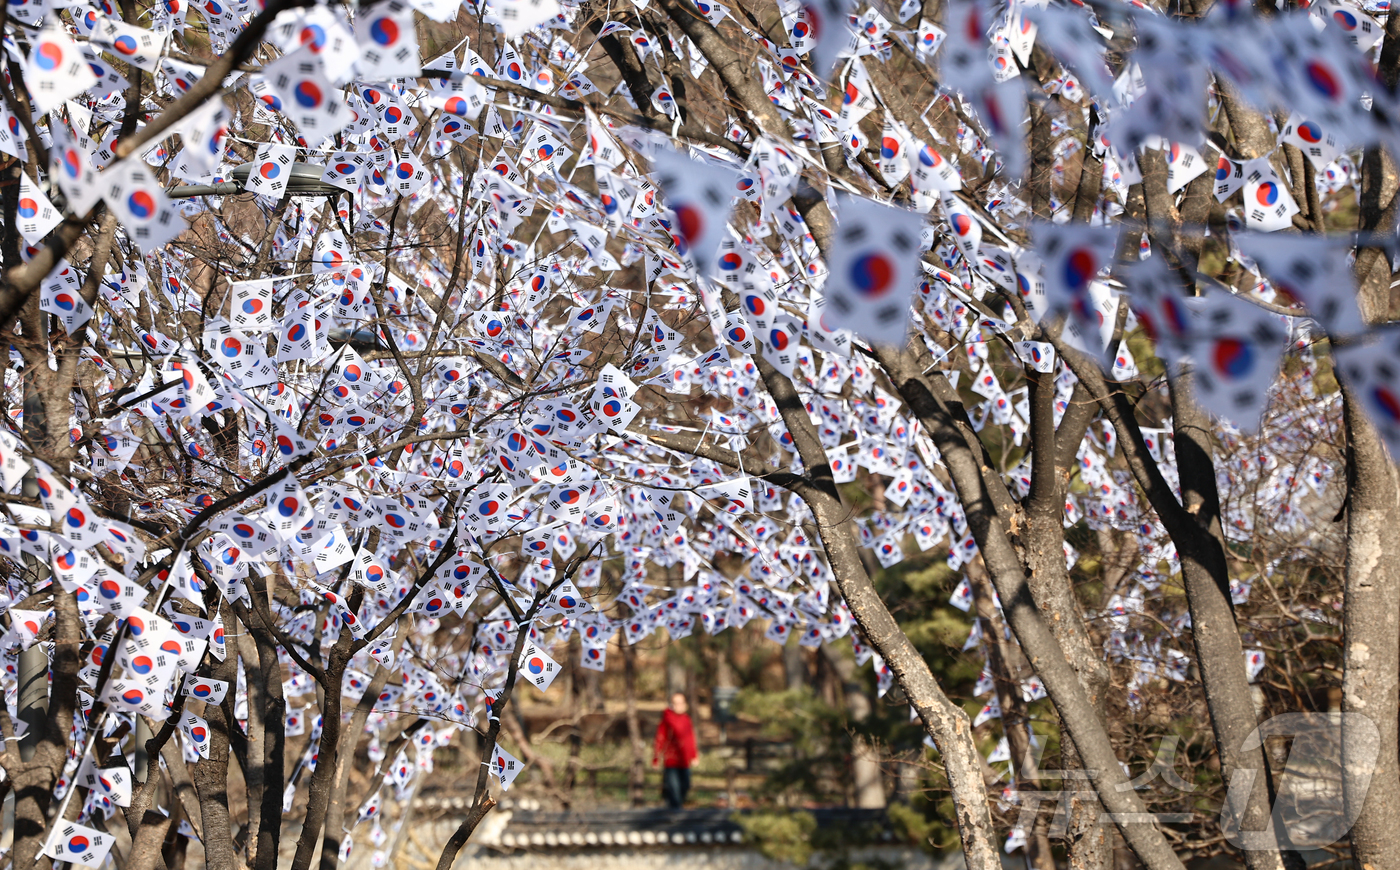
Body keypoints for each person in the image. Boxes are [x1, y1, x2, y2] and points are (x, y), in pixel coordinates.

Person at [652, 692, 697, 809]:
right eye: (676, 703)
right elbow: (660, 739)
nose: (679, 706)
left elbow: (690, 739)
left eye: (681, 703)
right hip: (671, 760)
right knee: (674, 789)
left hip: (684, 761)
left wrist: (694, 755)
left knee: (686, 785)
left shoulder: (686, 719)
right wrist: (656, 758)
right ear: (672, 705)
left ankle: (671, 804)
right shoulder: (667, 719)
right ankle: (675, 813)